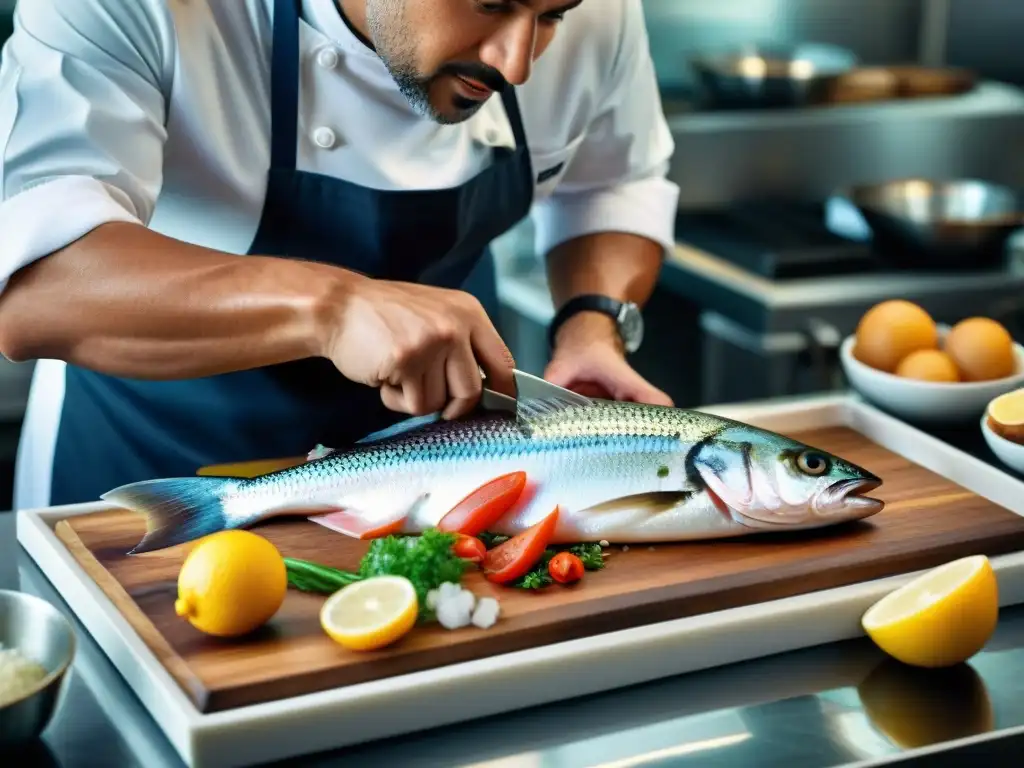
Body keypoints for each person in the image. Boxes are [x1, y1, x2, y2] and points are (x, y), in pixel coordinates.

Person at [0, 0, 680, 511]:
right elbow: (38, 284)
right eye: (489, 2)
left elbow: (613, 181)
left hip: (442, 494)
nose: (516, 62)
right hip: (146, 475)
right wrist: (333, 307)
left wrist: (593, 323)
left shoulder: (593, 12)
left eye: (553, 15)